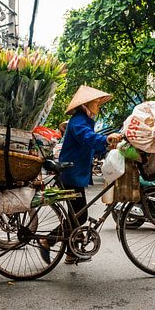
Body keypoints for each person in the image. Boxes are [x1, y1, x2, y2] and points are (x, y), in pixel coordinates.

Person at [40, 85, 123, 265]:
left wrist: (106, 144)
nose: (99, 106)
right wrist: (105, 140)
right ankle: (48, 240)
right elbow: (88, 137)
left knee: (77, 214)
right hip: (71, 173)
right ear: (86, 104)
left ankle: (72, 253)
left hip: (76, 172)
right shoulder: (78, 121)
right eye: (96, 103)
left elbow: (92, 141)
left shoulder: (84, 120)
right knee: (80, 215)